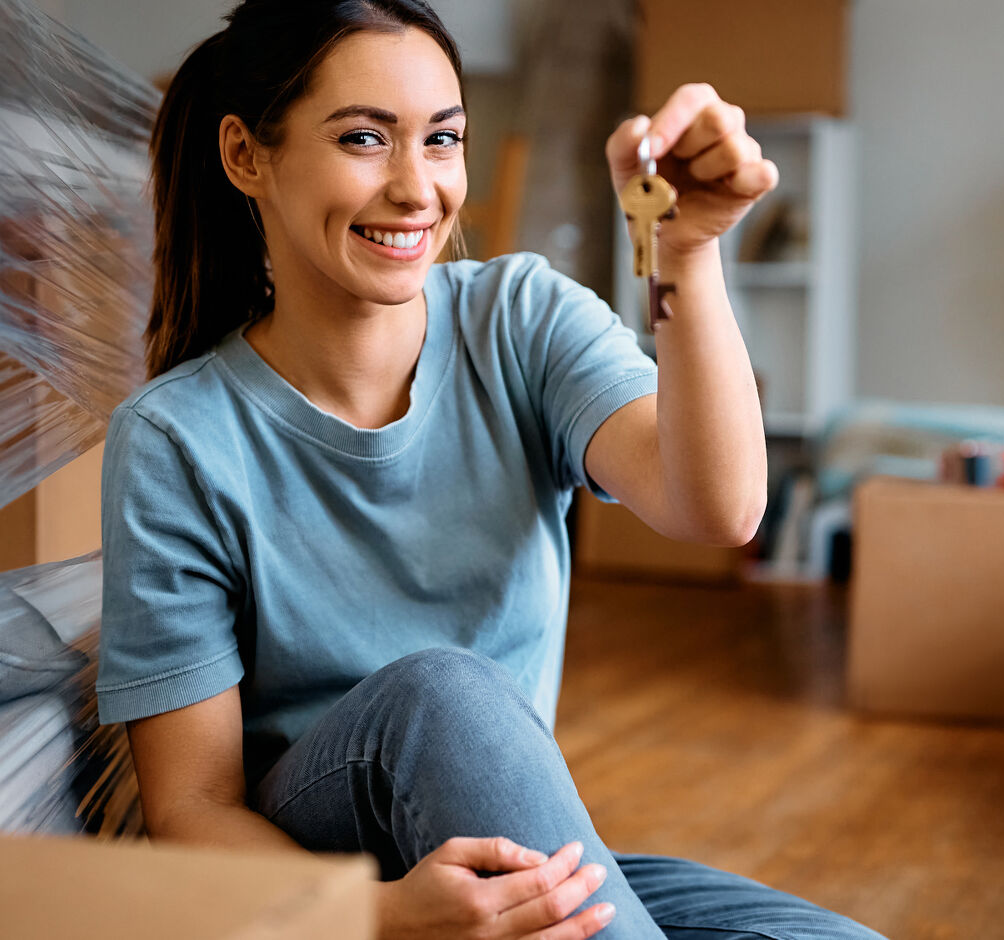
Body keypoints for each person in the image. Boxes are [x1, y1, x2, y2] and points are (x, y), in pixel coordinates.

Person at [95, 2, 885, 938]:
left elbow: (719, 508)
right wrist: (380, 919)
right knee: (442, 694)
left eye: (442, 140)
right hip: (324, 877)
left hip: (506, 840)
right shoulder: (176, 438)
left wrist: (688, 250)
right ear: (246, 156)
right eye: (362, 138)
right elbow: (192, 811)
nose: (415, 187)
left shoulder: (520, 321)